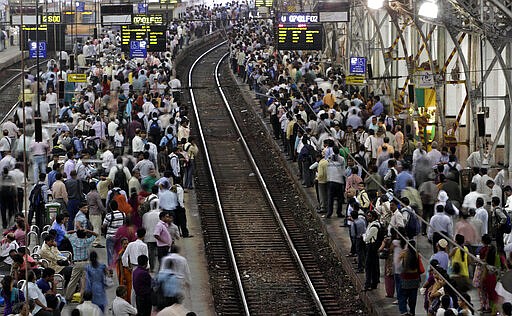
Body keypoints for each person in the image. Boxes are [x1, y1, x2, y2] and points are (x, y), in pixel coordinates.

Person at [64, 229, 97, 301]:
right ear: (85, 235)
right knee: (84, 281)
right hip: (85, 263)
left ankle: (68, 296)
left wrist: (75, 231)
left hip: (77, 263)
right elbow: (96, 235)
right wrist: (88, 231)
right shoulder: (86, 241)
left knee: (73, 280)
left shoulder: (73, 240)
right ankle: (82, 297)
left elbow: (66, 233)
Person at [398, 240, 422, 316]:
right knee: (413, 298)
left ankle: (404, 311)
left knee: (402, 296)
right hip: (415, 279)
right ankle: (412, 312)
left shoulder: (404, 253)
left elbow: (398, 261)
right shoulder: (417, 253)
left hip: (405, 278)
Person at [102, 200, 125, 267]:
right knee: (119, 251)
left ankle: (111, 267)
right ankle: (120, 265)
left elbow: (104, 226)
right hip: (120, 236)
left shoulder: (108, 215)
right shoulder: (123, 214)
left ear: (110, 207)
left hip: (110, 236)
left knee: (110, 253)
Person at [363, 210, 381, 291]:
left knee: (369, 266)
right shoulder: (371, 224)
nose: (368, 217)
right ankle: (372, 283)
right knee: (373, 266)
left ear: (373, 217)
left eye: (369, 216)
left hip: (371, 247)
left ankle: (369, 284)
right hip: (371, 247)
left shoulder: (374, 226)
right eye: (367, 215)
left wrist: (364, 235)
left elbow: (366, 238)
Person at [87, 181, 106, 248]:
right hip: (96, 212)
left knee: (92, 227)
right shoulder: (96, 194)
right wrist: (104, 210)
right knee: (97, 228)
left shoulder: (88, 194)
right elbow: (100, 205)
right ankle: (96, 242)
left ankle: (93, 241)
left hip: (90, 212)